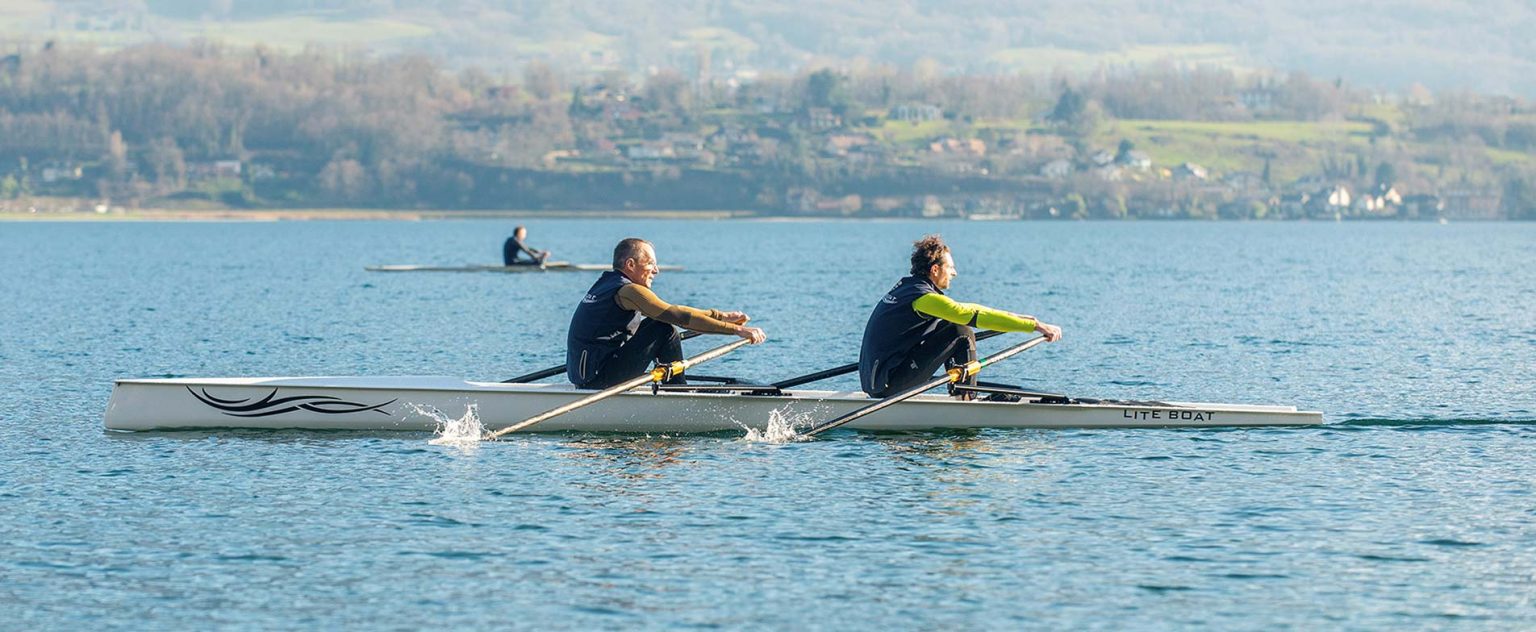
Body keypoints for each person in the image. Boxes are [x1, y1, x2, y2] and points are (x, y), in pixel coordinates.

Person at [859, 234, 1062, 399]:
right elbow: (970, 315)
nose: (954, 273)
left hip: (877, 381)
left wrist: (1024, 319)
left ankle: (962, 391)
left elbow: (970, 309)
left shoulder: (908, 288)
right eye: (951, 267)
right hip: (889, 386)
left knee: (953, 324)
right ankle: (966, 398)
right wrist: (1035, 326)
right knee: (961, 331)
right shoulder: (924, 298)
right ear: (935, 269)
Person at [567, 238, 766, 389]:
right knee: (663, 328)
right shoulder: (629, 291)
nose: (656, 270)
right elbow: (676, 315)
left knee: (658, 325)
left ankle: (674, 387)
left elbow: (673, 310)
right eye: (651, 264)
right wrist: (737, 330)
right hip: (598, 380)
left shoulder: (607, 283)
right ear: (630, 265)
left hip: (589, 374)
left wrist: (719, 316)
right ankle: (678, 391)